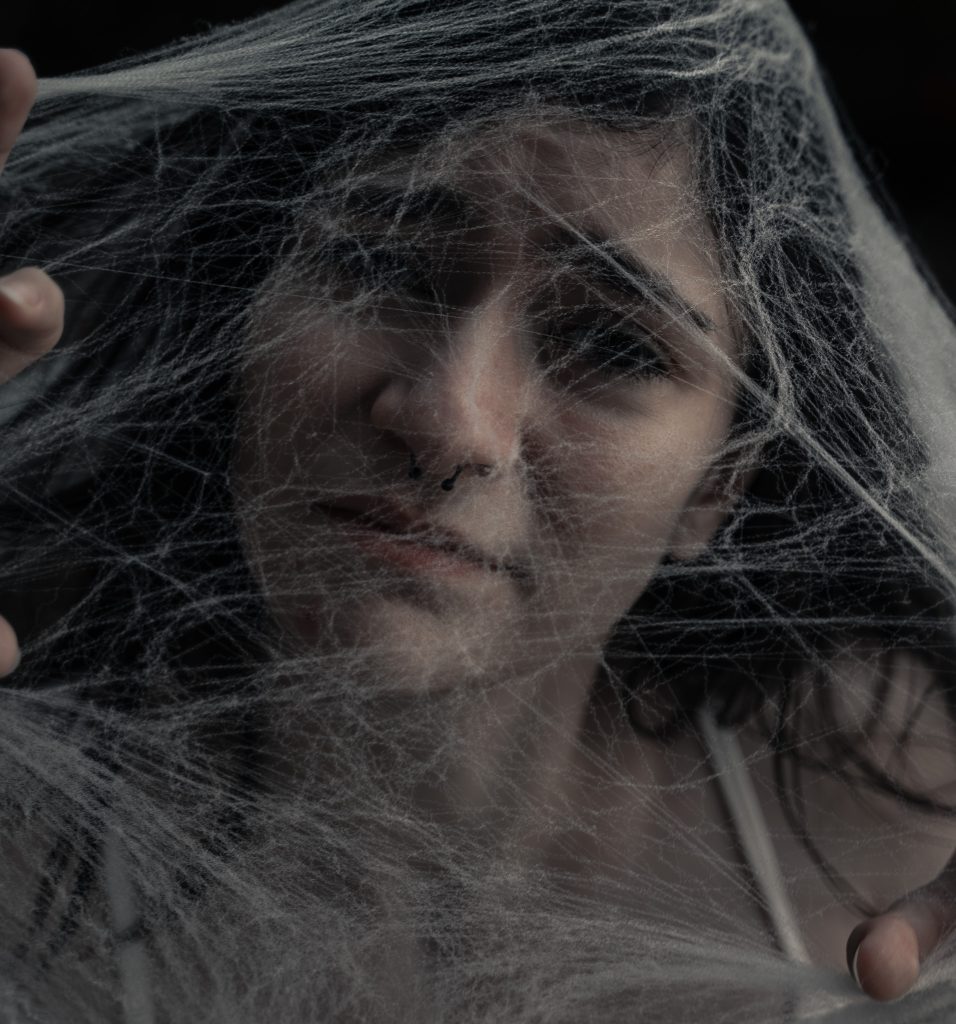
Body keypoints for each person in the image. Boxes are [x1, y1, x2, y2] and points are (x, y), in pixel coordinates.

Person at [2, 0, 956, 1018]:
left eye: (613, 346)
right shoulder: (23, 840)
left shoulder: (898, 815)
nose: (451, 421)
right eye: (385, 266)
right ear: (241, 308)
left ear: (719, 480)